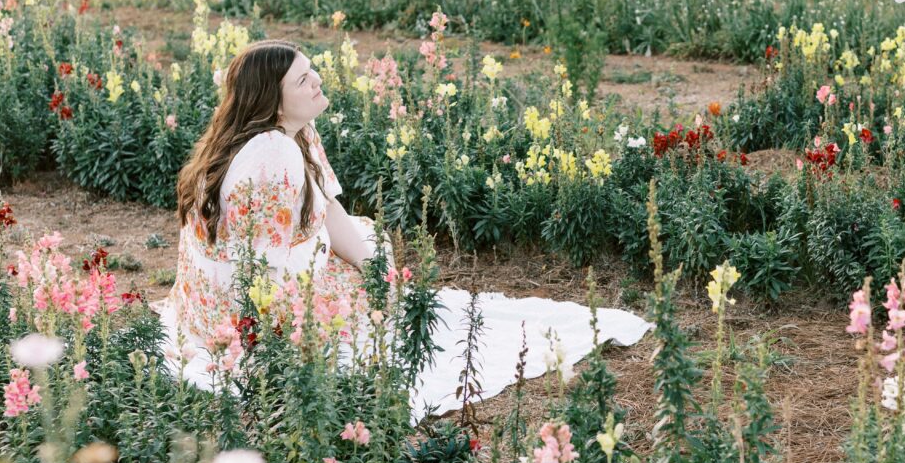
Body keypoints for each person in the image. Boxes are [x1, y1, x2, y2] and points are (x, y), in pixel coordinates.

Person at [157, 39, 650, 419]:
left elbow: (327, 208)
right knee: (367, 284)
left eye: (311, 71)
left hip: (216, 292)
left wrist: (373, 265)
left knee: (373, 253)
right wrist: (359, 281)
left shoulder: (294, 131)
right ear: (274, 101)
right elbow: (263, 268)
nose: (317, 81)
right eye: (303, 80)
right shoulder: (272, 152)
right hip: (245, 307)